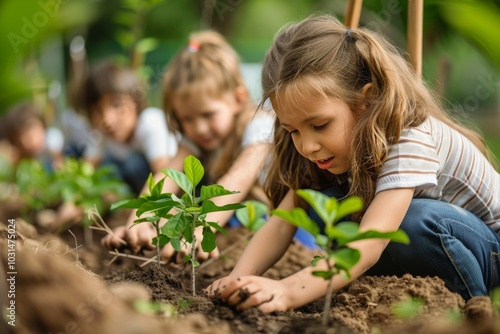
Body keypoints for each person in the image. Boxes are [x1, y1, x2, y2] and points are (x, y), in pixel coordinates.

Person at [206, 14, 500, 312]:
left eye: (320, 125)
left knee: (414, 220)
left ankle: (471, 307)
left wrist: (288, 291)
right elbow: (282, 223)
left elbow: (371, 243)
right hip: (425, 243)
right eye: (293, 130)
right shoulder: (326, 150)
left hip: (490, 253)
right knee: (319, 203)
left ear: (365, 101)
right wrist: (238, 278)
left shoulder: (408, 138)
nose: (307, 146)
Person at [101, 31, 276, 262]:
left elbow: (238, 181)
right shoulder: (195, 140)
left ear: (238, 98)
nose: (199, 128)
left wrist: (201, 230)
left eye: (208, 114)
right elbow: (166, 179)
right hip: (230, 218)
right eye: (188, 119)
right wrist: (136, 224)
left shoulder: (259, 125)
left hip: (277, 221)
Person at [79, 61, 179, 194]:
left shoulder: (150, 122)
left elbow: (164, 175)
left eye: (116, 105)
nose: (107, 120)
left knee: (133, 164)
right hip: (145, 184)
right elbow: (87, 169)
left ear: (135, 102)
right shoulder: (103, 133)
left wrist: (140, 212)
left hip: (178, 181)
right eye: (97, 111)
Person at [0, 102, 64, 170]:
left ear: (43, 126)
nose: (26, 143)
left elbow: (57, 156)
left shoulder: (51, 138)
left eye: (30, 136)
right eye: (20, 141)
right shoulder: (21, 156)